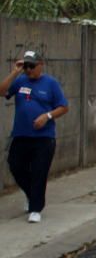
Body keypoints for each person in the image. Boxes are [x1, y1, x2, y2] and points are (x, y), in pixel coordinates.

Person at [2, 51, 69, 223]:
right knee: (15, 166)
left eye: (31, 66)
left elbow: (63, 107)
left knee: (39, 172)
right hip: (21, 134)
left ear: (41, 64)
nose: (28, 70)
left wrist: (46, 116)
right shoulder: (20, 81)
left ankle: (35, 208)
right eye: (26, 66)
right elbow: (2, 92)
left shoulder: (50, 84)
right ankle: (32, 195)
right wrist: (15, 72)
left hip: (43, 137)